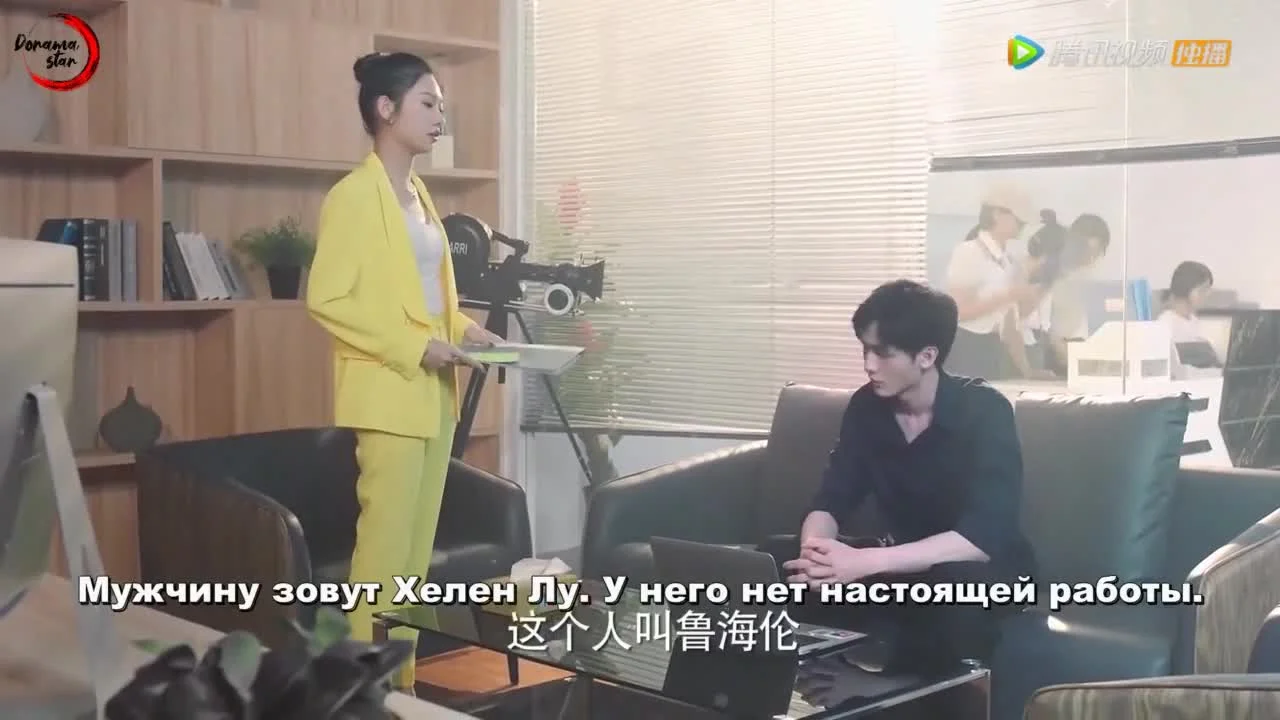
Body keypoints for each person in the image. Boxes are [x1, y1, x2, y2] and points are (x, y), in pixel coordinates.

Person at [305, 51, 502, 692]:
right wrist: (416, 347)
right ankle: (363, 687)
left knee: (412, 564)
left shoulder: (419, 195)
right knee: (383, 559)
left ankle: (403, 685)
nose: (441, 116)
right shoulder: (353, 197)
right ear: (386, 109)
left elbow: (420, 295)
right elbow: (329, 300)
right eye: (428, 102)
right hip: (388, 395)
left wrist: (465, 330)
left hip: (434, 397)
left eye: (441, 104)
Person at [783, 279, 1036, 674]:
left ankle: (925, 694)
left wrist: (865, 562)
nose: (869, 365)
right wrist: (814, 554)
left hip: (982, 569)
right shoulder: (866, 407)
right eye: (865, 349)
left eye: (883, 353)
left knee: (954, 586)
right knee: (777, 559)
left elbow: (982, 537)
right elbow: (832, 498)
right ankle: (814, 690)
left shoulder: (985, 411)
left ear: (927, 356)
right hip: (898, 562)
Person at [944, 184, 1044, 380]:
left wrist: (1028, 372)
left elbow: (1010, 324)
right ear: (997, 214)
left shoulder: (1009, 261)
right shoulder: (969, 252)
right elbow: (958, 311)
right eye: (1019, 218)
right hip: (966, 348)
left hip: (994, 350)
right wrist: (1009, 295)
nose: (1023, 224)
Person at [1158, 260, 1215, 344]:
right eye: (1202, 290)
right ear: (1185, 288)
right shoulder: (1165, 323)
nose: (1207, 295)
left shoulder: (1194, 320)